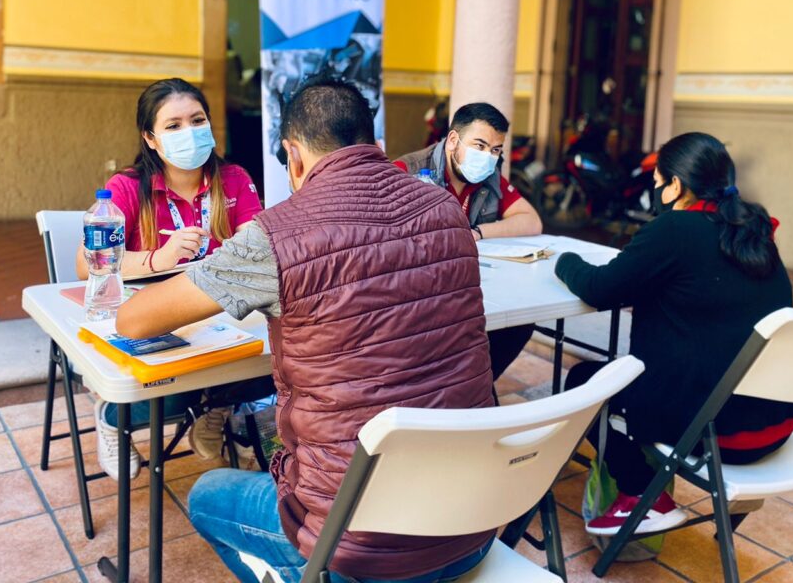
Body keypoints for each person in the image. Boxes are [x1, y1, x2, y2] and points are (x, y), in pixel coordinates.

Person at [115, 81, 496, 583]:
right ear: (376, 145)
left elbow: (133, 320)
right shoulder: (447, 209)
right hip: (471, 521)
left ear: (292, 156)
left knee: (207, 496)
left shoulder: (277, 234)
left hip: (357, 544)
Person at [554, 132, 793, 536]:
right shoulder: (755, 230)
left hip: (717, 430)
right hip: (775, 423)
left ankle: (641, 495)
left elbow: (599, 289)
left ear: (676, 185)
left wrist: (564, 260)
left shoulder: (674, 229)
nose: (655, 191)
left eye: (657, 182)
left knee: (584, 381)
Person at [76, 78, 266, 481]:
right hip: (153, 312)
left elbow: (256, 245)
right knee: (172, 378)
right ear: (151, 138)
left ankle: (216, 410)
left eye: (197, 120)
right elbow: (85, 263)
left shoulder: (233, 177)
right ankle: (113, 418)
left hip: (215, 309)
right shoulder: (128, 187)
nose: (189, 132)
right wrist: (156, 259)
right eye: (174, 125)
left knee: (271, 357)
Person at [394, 102, 543, 379]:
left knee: (519, 325)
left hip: (475, 287)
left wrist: (477, 232)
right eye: (479, 145)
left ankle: (477, 382)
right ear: (453, 140)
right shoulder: (407, 170)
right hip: (424, 294)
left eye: (495, 150)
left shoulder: (489, 178)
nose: (487, 157)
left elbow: (531, 220)